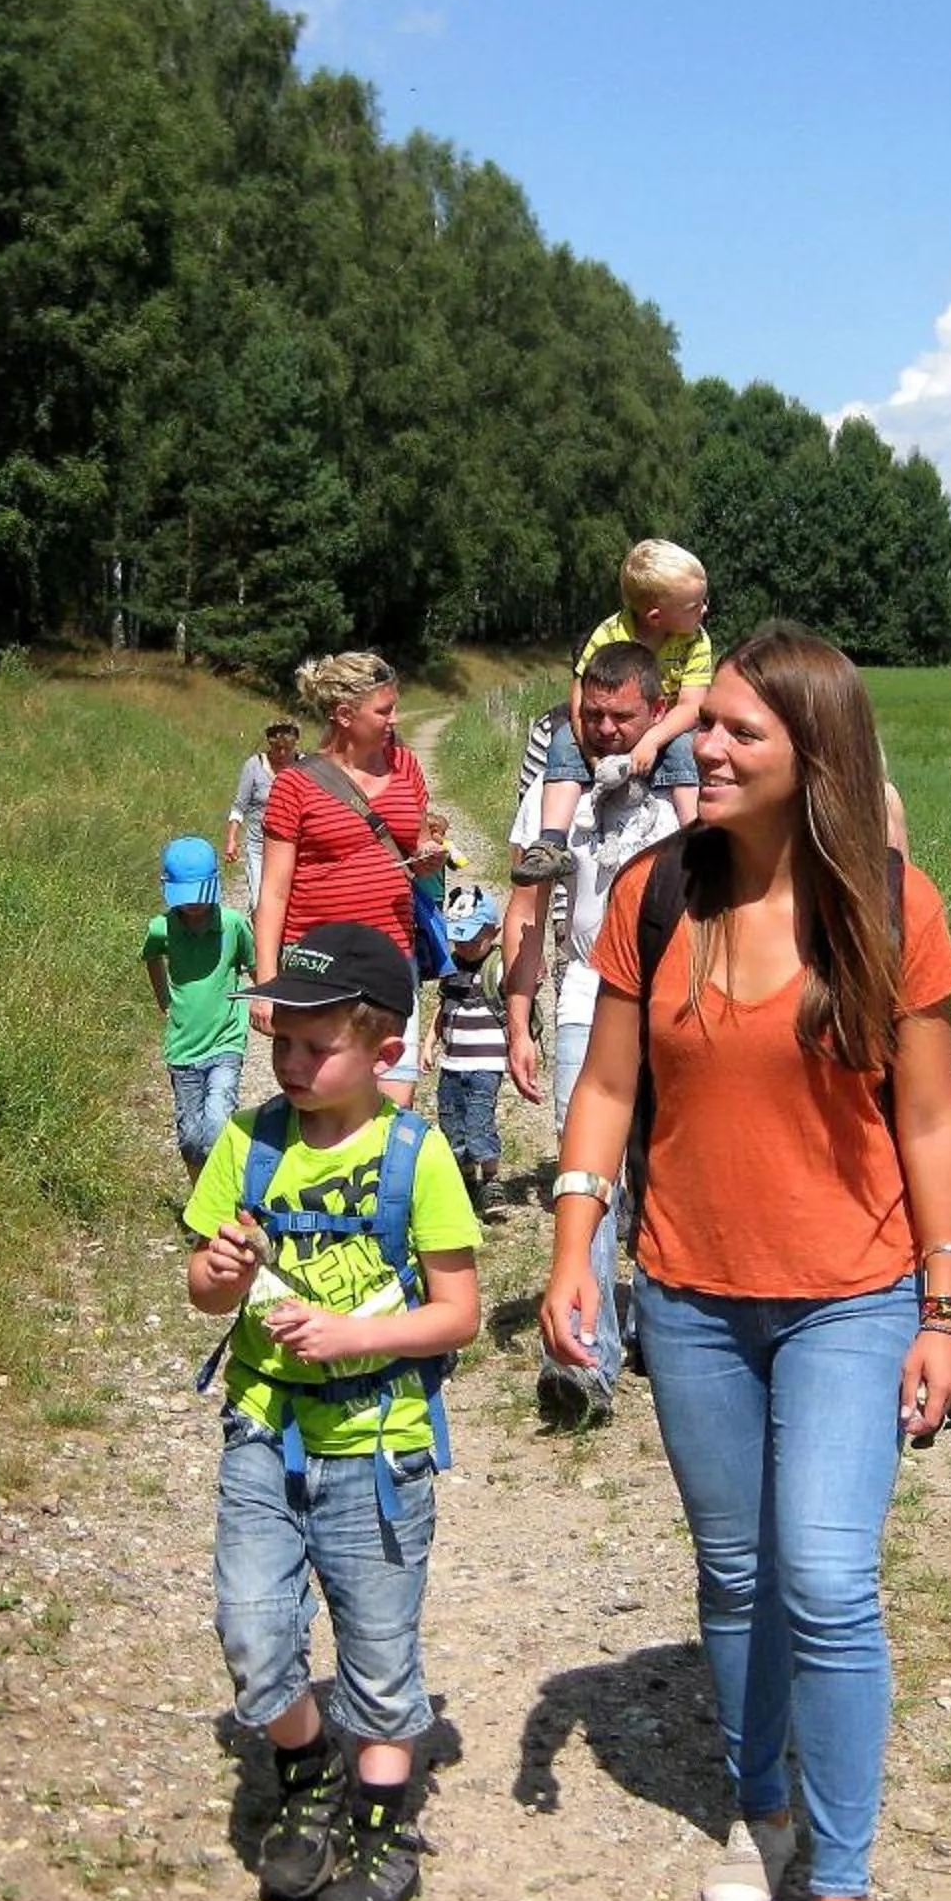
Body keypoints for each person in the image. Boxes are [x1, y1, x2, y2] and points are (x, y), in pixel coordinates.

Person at [538, 623, 951, 1901]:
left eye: (735, 733)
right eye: (701, 725)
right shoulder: (657, 892)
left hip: (855, 1291)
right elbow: (605, 1092)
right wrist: (573, 1246)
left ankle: (838, 1889)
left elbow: (931, 1117)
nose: (700, 748)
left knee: (826, 1578)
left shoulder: (889, 908)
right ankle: (763, 1800)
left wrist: (947, 1305)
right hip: (693, 1288)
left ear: (814, 756)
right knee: (734, 1570)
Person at [185, 923, 484, 1901]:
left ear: (384, 1050)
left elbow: (458, 1312)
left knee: (379, 1650)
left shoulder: (418, 1155)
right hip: (264, 1433)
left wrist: (358, 1334)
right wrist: (217, 1275)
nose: (298, 1067)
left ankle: (377, 1820)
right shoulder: (248, 1142)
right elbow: (200, 1287)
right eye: (285, 1045)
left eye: (322, 1048)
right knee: (254, 1634)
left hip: (378, 1447)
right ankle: (307, 1767)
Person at [499, 640, 685, 1425]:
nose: (607, 729)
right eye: (595, 716)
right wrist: (517, 1010)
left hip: (678, 997)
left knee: (671, 1172)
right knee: (586, 1170)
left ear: (656, 710)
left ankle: (667, 1326)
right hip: (586, 990)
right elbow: (528, 901)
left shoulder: (691, 784)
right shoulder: (555, 791)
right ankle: (581, 1356)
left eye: (624, 716)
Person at [257, 650, 441, 1105]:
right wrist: (266, 985)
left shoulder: (407, 766)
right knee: (326, 1100)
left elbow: (415, 847)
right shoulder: (295, 784)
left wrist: (428, 858)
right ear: (344, 714)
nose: (394, 719)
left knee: (395, 1100)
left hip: (392, 955)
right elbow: (274, 891)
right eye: (384, 710)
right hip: (318, 963)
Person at [511, 539, 711, 883]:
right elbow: (580, 691)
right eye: (695, 605)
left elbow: (693, 705)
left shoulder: (696, 640)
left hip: (668, 725)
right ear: (656, 616)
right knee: (562, 742)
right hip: (610, 727)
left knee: (685, 749)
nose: (704, 610)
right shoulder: (609, 632)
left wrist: (651, 740)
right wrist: (586, 745)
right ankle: (551, 841)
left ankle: (696, 833)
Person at [143, 834, 256, 1182]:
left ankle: (226, 1200)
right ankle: (201, 1202)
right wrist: (163, 998)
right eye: (185, 897)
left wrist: (268, 1000)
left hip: (226, 1041)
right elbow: (152, 959)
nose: (193, 905)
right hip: (182, 1048)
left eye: (199, 896)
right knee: (191, 1140)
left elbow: (254, 964)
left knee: (218, 1125)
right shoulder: (161, 928)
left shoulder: (233, 924)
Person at [421, 887, 508, 1212]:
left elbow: (518, 1000)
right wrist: (429, 1043)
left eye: (473, 939)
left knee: (479, 1123)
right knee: (451, 1122)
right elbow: (444, 1008)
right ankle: (466, 1178)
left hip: (487, 1064)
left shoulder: (498, 967)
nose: (466, 947)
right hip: (452, 1063)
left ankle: (491, 1181)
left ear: (493, 932)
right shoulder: (451, 967)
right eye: (459, 939)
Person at [224, 719, 300, 907]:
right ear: (270, 744)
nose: (282, 754)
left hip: (294, 846)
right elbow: (240, 805)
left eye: (287, 749)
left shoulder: (304, 765)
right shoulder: (254, 765)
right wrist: (232, 839)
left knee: (289, 903)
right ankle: (258, 935)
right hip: (258, 844)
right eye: (277, 749)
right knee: (260, 902)